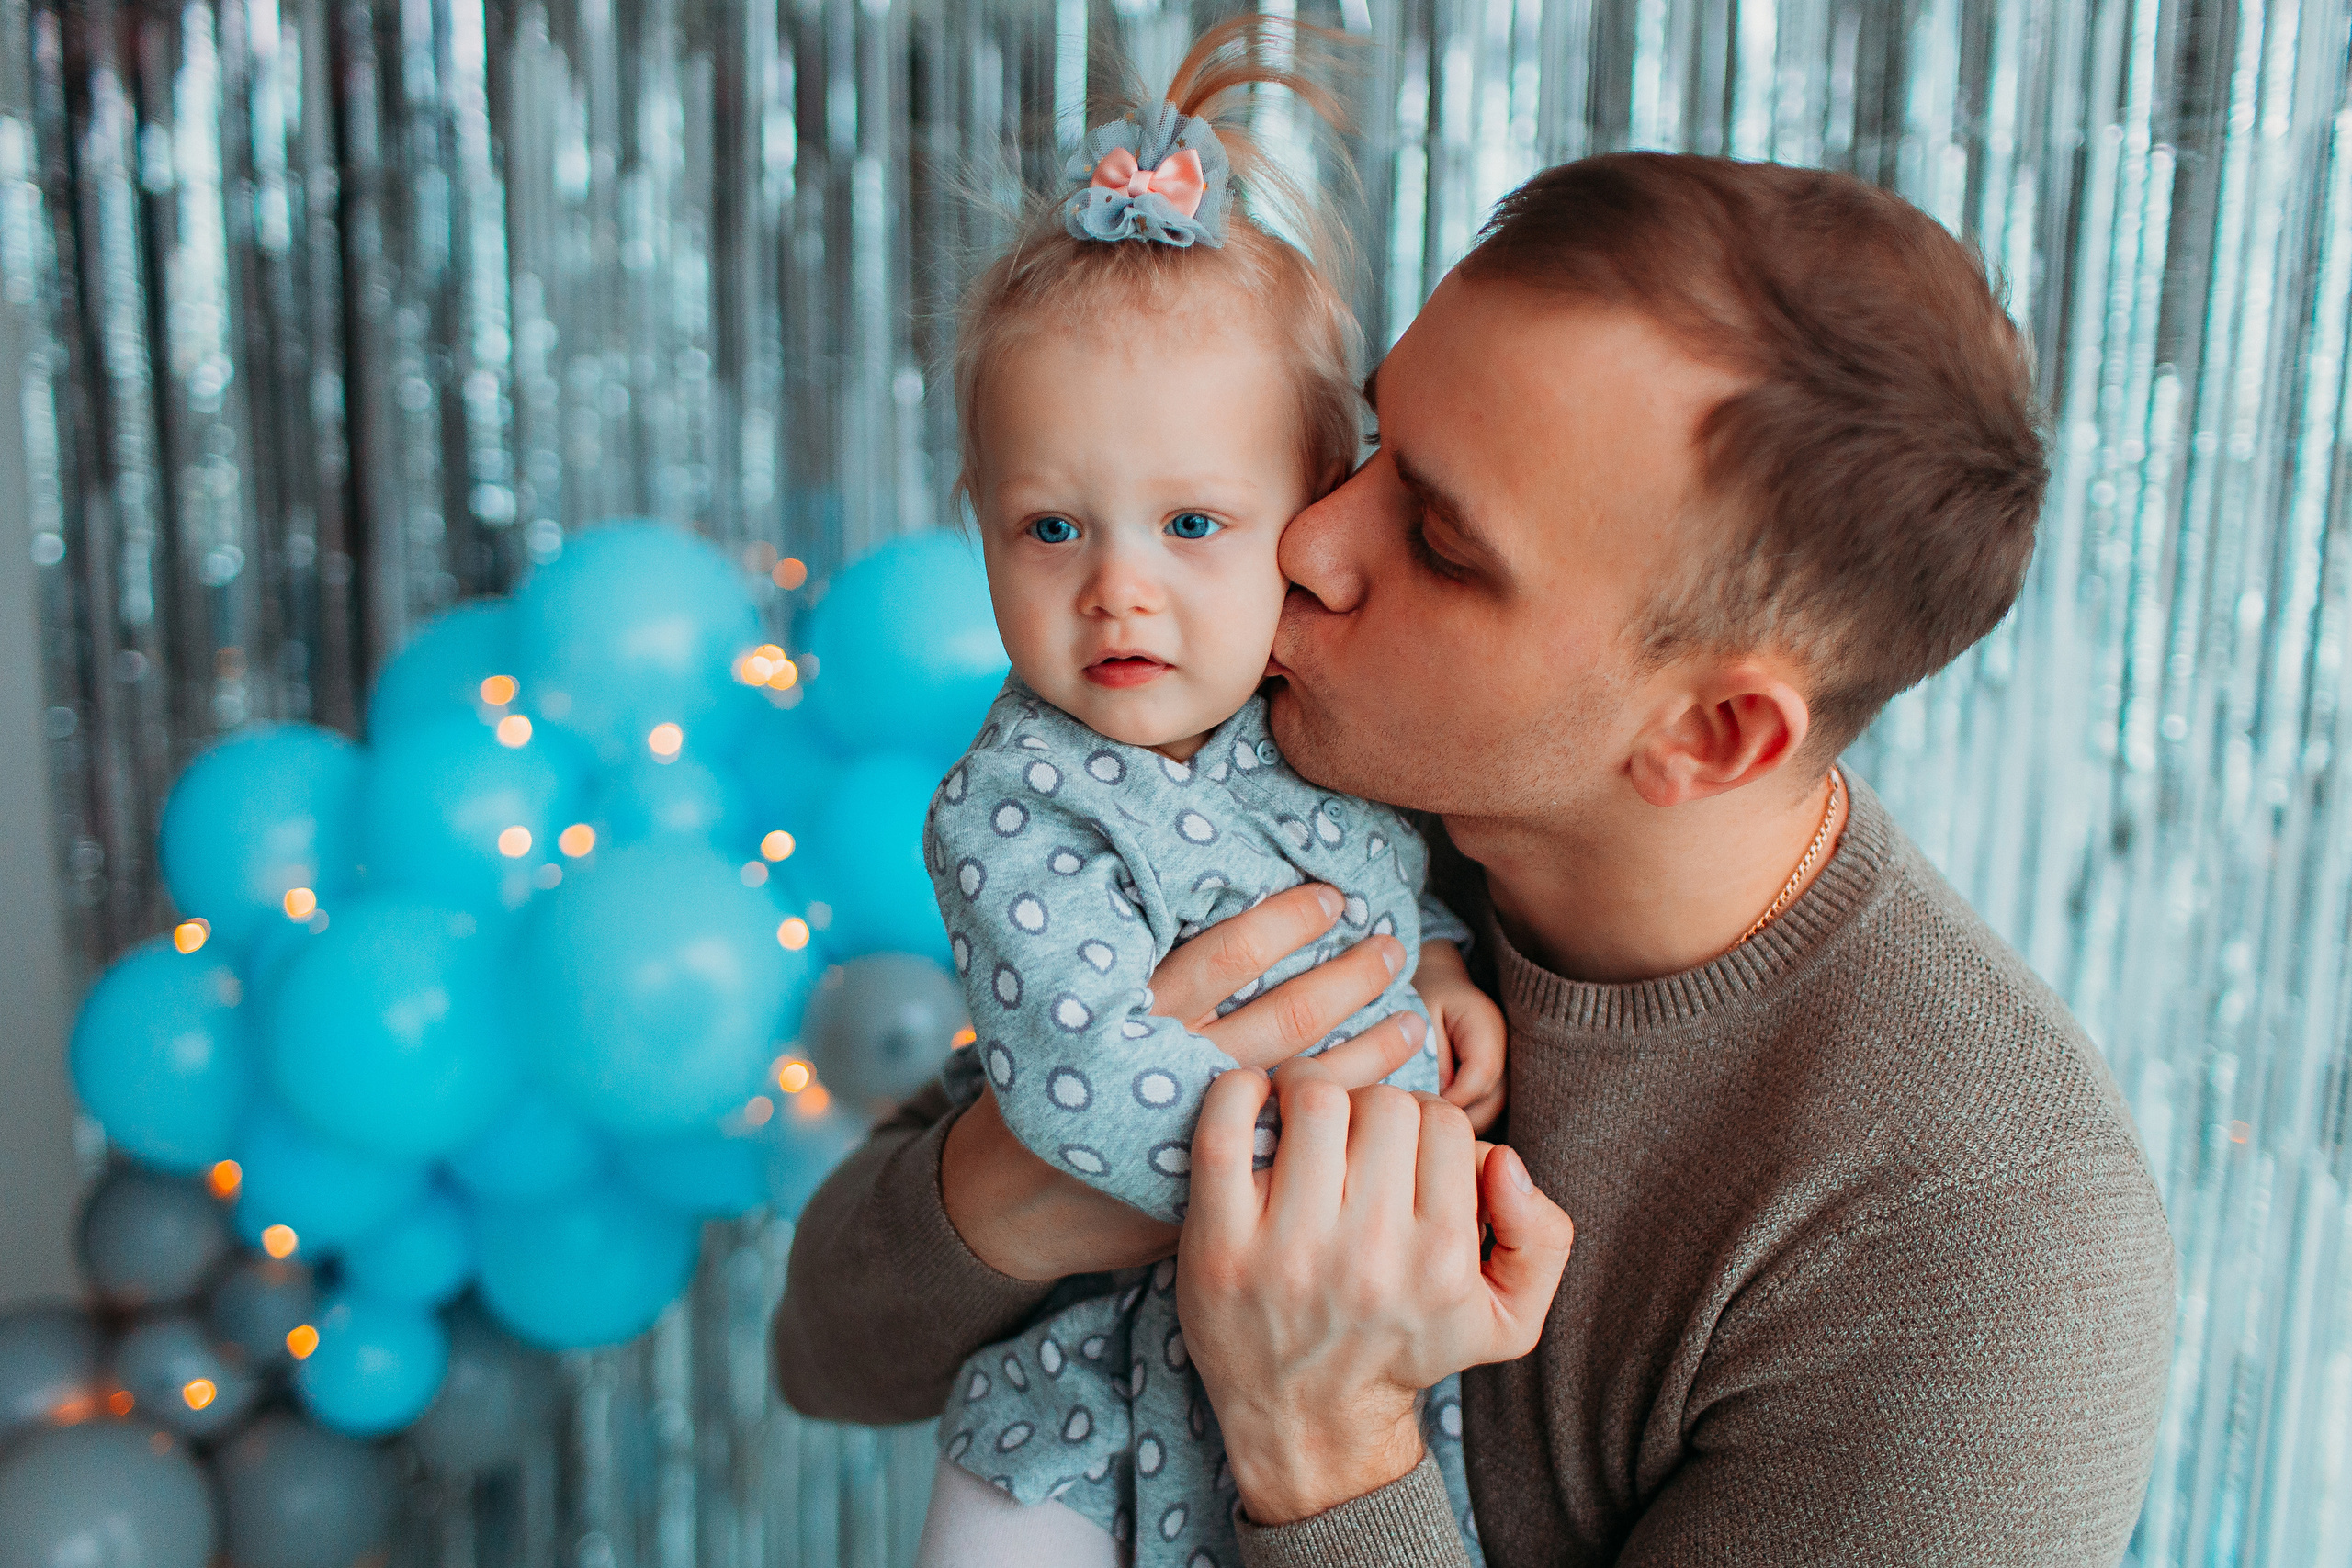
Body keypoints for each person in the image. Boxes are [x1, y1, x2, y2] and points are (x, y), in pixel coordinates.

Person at [775, 150, 2179, 1566]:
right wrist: (1026, 1185)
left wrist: (1320, 1441)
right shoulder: (1275, 763)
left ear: (1709, 735)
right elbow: (826, 1353)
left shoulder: (1987, 1255)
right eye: (1367, 447)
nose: (1310, 539)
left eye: (1439, 541)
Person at [910, 21, 1503, 1567]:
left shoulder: (1317, 725)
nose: (1120, 593)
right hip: (1087, 1413)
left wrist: (1437, 965)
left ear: (1309, 520)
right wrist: (1372, 1143)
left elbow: (1389, 886)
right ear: (977, 521)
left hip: (1328, 1376)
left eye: (1190, 523)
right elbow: (1084, 1083)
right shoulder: (1016, 801)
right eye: (1051, 530)